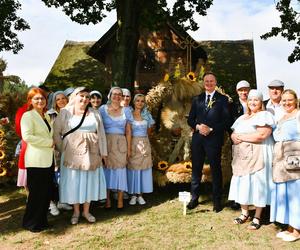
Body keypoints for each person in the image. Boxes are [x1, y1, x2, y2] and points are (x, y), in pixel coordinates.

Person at [54, 87, 107, 225]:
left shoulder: (94, 113)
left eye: (87, 97)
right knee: (74, 181)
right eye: (81, 96)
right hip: (72, 154)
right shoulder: (65, 113)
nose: (84, 99)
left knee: (89, 180)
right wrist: (62, 148)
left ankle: (86, 211)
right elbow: (56, 133)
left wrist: (103, 153)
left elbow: (101, 134)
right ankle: (76, 212)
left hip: (91, 153)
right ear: (75, 97)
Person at [228, 89, 275, 230]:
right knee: (242, 182)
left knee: (258, 182)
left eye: (256, 100)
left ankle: (258, 216)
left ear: (261, 102)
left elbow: (261, 135)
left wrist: (241, 137)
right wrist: (234, 137)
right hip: (242, 157)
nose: (253, 102)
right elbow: (233, 134)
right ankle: (244, 213)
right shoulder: (242, 118)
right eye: (250, 100)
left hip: (258, 155)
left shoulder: (264, 115)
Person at [187, 72, 231, 212]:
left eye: (211, 81)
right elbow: (190, 119)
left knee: (215, 169)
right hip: (198, 139)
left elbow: (227, 121)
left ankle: (217, 200)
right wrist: (198, 127)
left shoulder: (223, 99)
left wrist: (211, 129)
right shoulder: (197, 99)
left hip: (214, 139)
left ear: (215, 82)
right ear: (203, 82)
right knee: (196, 169)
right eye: (207, 81)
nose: (209, 83)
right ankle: (194, 198)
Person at [21, 87, 54, 232]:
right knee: (36, 194)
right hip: (36, 160)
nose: (40, 101)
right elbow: (27, 136)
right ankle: (31, 223)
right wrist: (48, 143)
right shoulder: (28, 116)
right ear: (30, 101)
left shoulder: (45, 116)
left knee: (45, 192)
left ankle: (41, 221)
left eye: (42, 98)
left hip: (48, 159)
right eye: (36, 98)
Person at [270, 89, 300, 242]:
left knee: (296, 193)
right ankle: (290, 227)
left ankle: (297, 230)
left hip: (295, 155)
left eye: (290, 100)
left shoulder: (298, 115)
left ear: (296, 100)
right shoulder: (282, 117)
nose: (287, 103)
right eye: (284, 100)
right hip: (281, 157)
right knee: (286, 192)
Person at [99, 87, 133, 210]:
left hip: (121, 143)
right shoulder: (102, 109)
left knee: (120, 171)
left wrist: (129, 149)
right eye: (115, 94)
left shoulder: (126, 111)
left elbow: (128, 131)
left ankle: (119, 200)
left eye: (120, 94)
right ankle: (107, 199)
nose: (117, 96)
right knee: (106, 170)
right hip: (106, 143)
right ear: (110, 95)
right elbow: (98, 128)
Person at [47, 91, 72, 215]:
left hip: (69, 148)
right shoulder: (51, 114)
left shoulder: (70, 112)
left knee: (65, 175)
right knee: (55, 176)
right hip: (54, 149)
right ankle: (52, 202)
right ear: (54, 102)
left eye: (63, 98)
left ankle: (63, 200)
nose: (61, 101)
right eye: (58, 99)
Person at [128, 94, 154, 205]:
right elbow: (127, 131)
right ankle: (133, 194)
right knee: (133, 168)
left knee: (143, 168)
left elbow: (149, 131)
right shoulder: (129, 115)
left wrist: (145, 142)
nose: (140, 103)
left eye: (142, 101)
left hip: (144, 142)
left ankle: (141, 194)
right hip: (133, 143)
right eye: (137, 100)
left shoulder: (147, 115)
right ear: (134, 102)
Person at [230, 80, 251, 210]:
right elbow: (228, 123)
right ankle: (237, 199)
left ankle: (250, 197)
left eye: (246, 90)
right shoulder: (231, 105)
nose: (243, 92)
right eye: (241, 90)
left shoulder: (255, 103)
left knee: (252, 170)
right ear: (237, 91)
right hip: (237, 140)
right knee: (237, 170)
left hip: (252, 140)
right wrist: (233, 136)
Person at [15, 103, 28, 195]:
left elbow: (18, 129)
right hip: (27, 143)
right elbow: (18, 128)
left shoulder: (21, 110)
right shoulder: (23, 110)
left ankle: (30, 198)